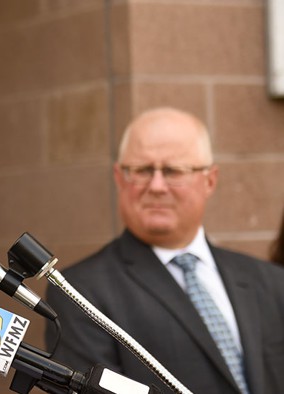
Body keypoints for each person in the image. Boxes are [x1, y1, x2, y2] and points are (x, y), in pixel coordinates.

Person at [44, 107, 284, 394]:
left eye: (173, 171)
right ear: (120, 178)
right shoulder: (80, 294)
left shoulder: (271, 281)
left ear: (210, 180)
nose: (156, 186)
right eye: (142, 170)